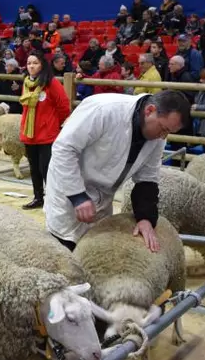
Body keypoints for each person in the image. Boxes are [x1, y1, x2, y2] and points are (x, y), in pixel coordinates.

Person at [45, 90, 191, 252]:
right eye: (163, 128)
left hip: (102, 198)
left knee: (93, 253)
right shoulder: (104, 110)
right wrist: (77, 195)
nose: (163, 137)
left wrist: (146, 218)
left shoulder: (157, 137)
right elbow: (64, 148)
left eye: (168, 132)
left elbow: (147, 178)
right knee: (63, 249)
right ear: (149, 110)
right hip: (69, 193)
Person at [19, 51, 71, 210]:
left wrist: (59, 124)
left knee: (47, 168)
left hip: (47, 133)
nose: (31, 66)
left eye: (35, 63)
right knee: (33, 168)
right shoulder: (27, 82)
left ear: (42, 64)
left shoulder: (51, 83)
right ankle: (38, 197)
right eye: (29, 63)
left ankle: (54, 199)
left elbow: (63, 105)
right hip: (30, 132)